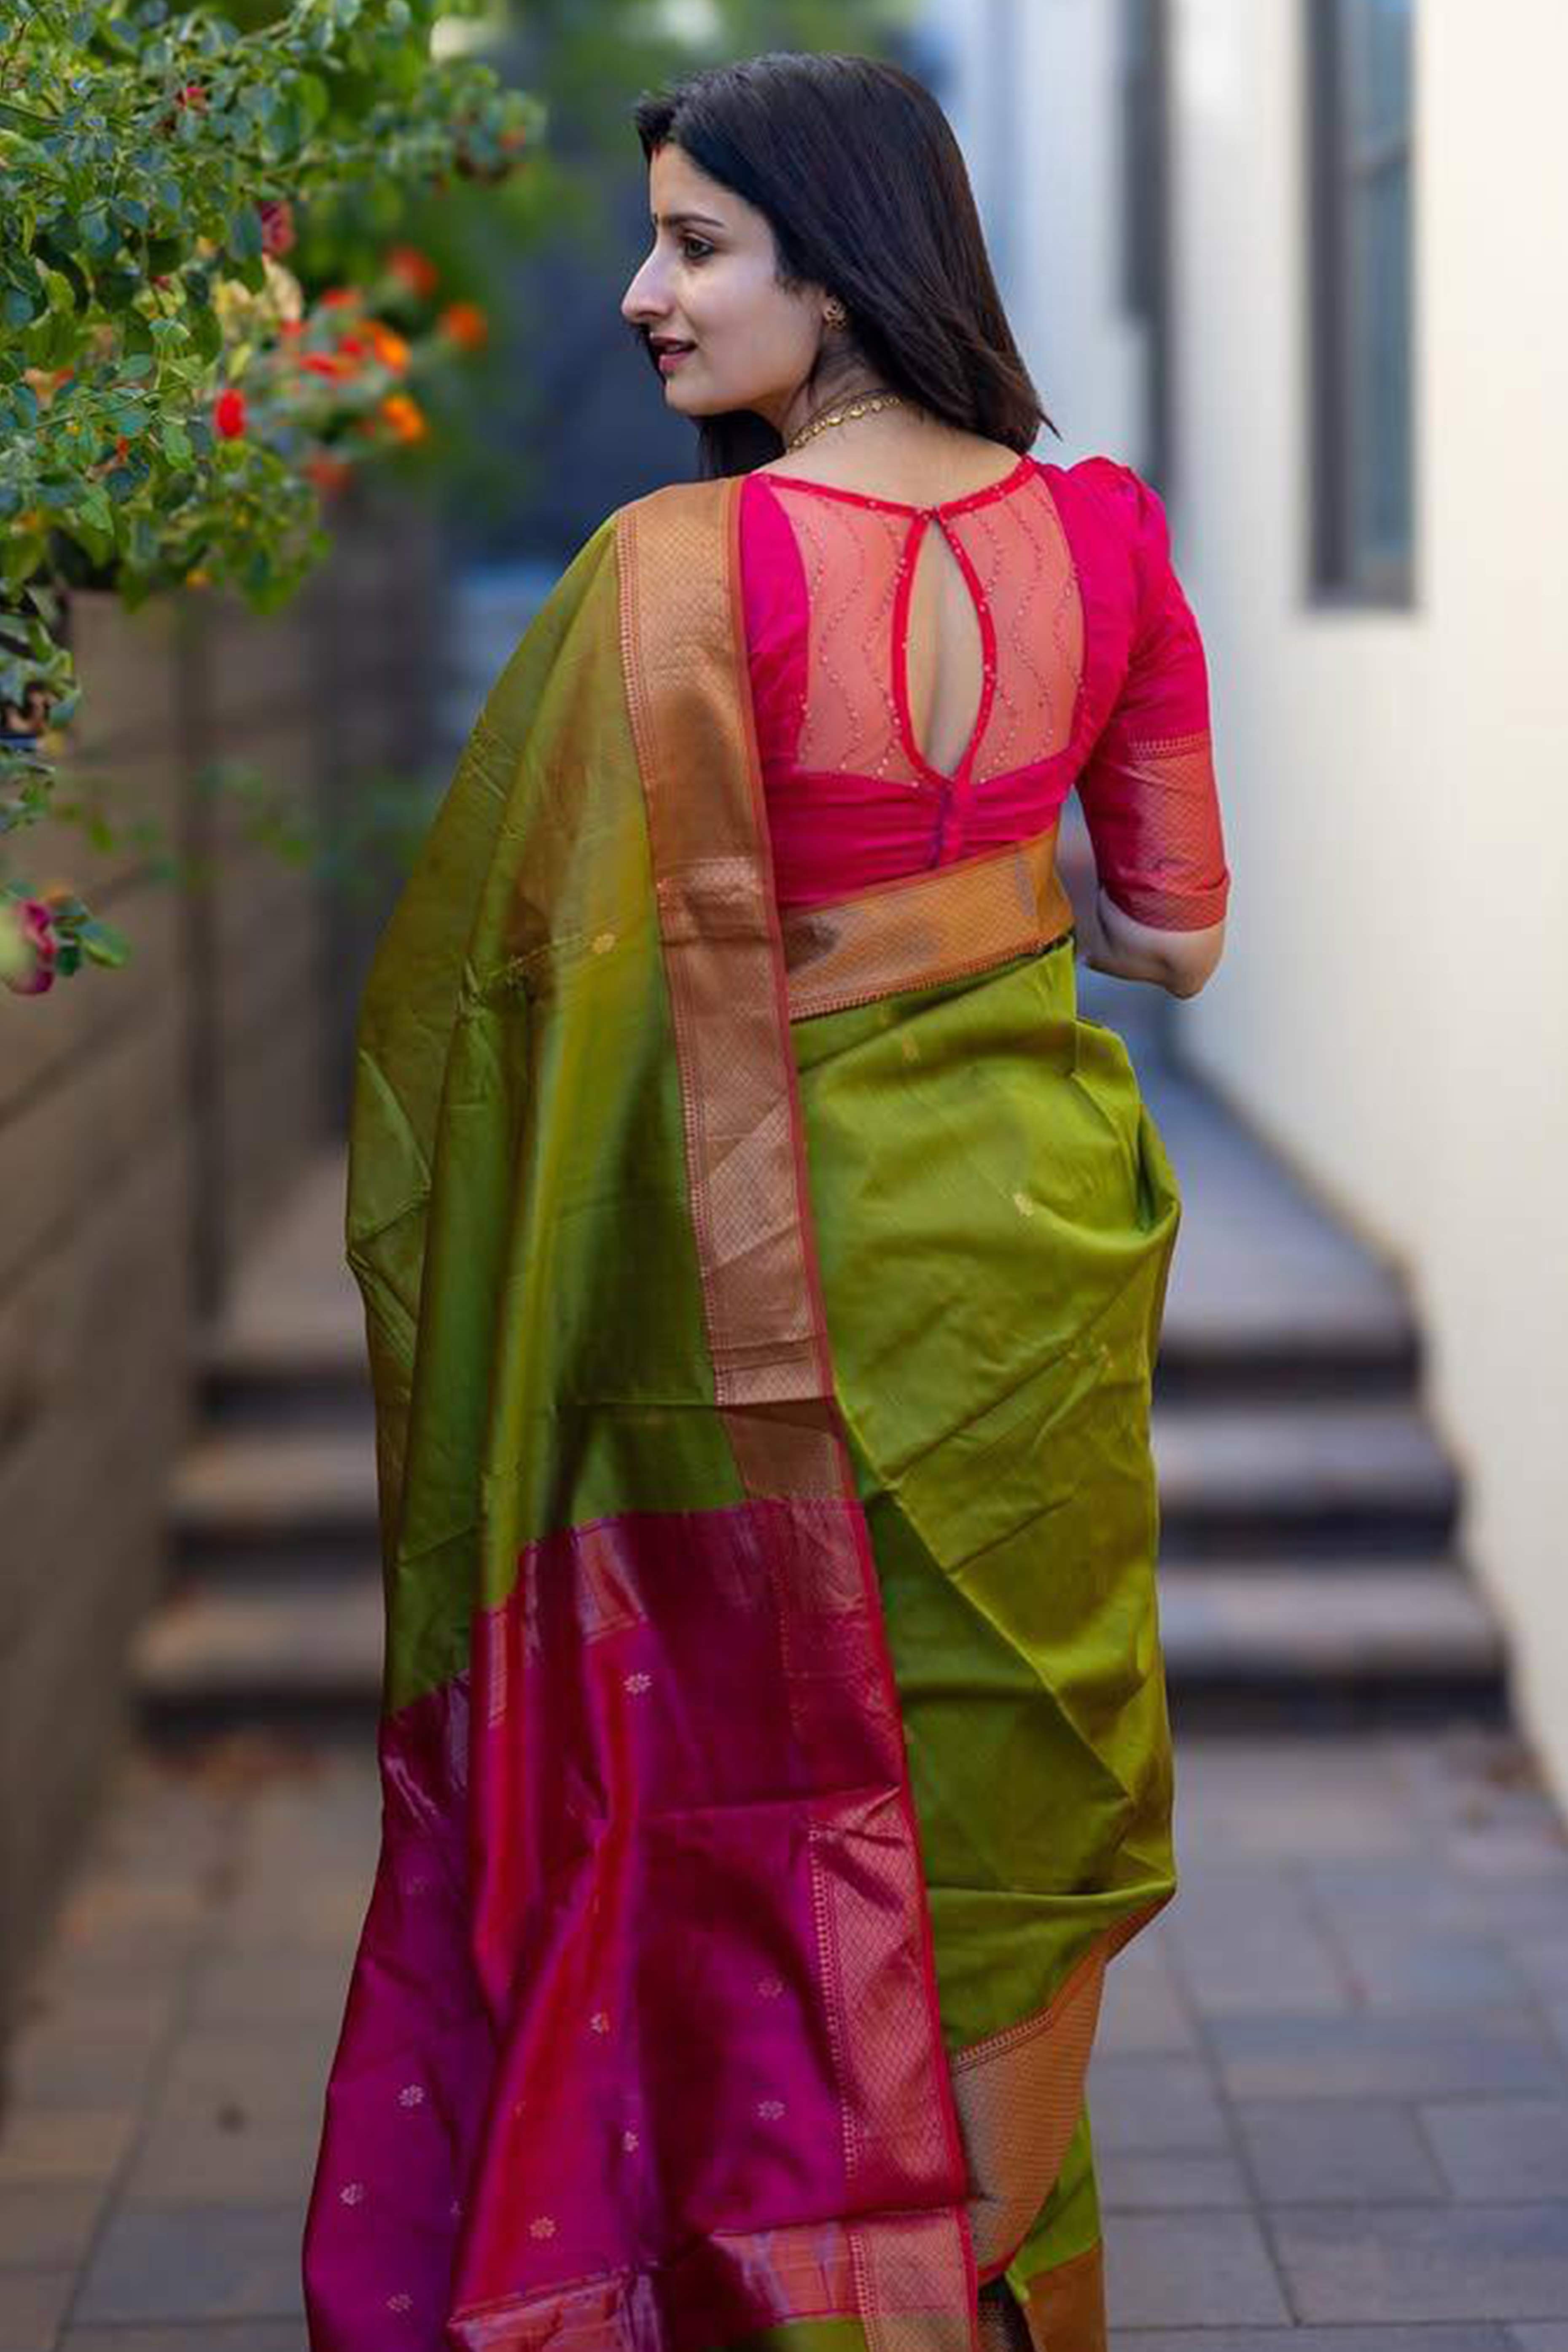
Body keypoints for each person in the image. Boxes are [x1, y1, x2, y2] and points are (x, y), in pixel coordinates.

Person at [302, 48, 1229, 2352]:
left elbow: (504, 986)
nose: (644, 291)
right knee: (989, 1797)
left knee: (745, 1795)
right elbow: (1176, 934)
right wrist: (977, 886)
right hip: (1022, 1254)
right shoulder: (1108, 537)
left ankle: (782, 2281)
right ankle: (971, 2277)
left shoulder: (672, 576)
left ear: (843, 270)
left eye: (696, 244)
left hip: (749, 1260)